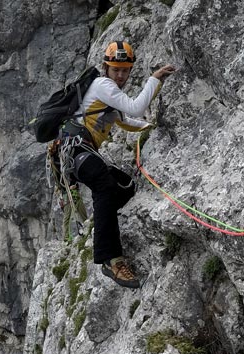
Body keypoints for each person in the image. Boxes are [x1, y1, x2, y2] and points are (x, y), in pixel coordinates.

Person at [59, 41, 176, 288]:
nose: (121, 75)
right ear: (106, 68)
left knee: (126, 186)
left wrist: (151, 128)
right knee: (104, 186)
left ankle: (106, 219)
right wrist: (155, 79)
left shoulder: (107, 97)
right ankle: (111, 260)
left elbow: (125, 121)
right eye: (116, 70)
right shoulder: (103, 85)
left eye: (125, 70)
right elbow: (136, 107)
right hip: (77, 149)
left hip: (80, 152)